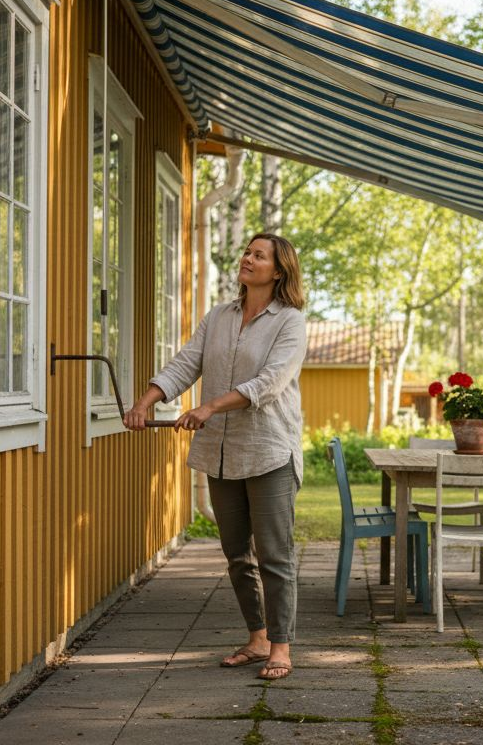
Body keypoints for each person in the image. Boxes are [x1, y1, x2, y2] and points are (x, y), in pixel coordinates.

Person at [123, 233, 307, 681]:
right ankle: (257, 637)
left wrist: (209, 406)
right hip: (221, 453)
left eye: (258, 255)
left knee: (275, 556)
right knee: (236, 554)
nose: (247, 258)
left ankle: (281, 648)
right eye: (247, 251)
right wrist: (146, 402)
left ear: (278, 271)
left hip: (268, 449)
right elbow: (186, 363)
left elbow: (269, 382)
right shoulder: (220, 316)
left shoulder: (290, 322)